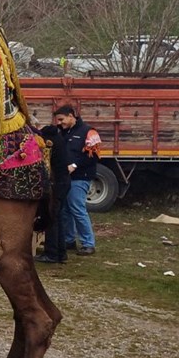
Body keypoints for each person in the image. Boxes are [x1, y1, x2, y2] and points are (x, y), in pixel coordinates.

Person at [54, 104, 100, 255]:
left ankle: (88, 244)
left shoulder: (89, 131)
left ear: (71, 116)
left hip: (80, 178)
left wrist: (74, 165)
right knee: (65, 211)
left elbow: (93, 155)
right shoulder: (62, 132)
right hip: (65, 178)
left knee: (77, 209)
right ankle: (69, 241)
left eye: (61, 119)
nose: (59, 122)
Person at [36, 120, 71, 264]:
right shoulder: (59, 138)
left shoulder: (48, 142)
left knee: (51, 218)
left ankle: (51, 253)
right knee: (58, 218)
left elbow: (46, 165)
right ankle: (61, 253)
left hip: (56, 184)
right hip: (64, 182)